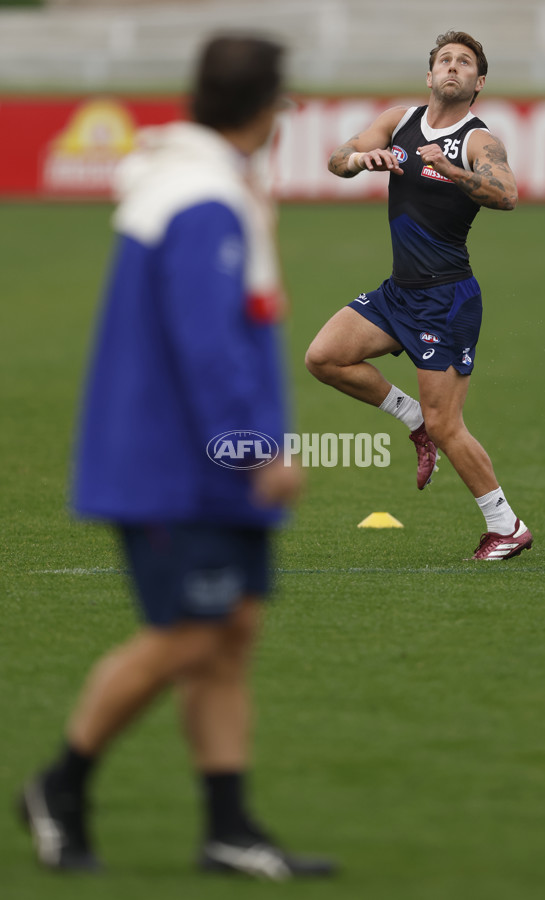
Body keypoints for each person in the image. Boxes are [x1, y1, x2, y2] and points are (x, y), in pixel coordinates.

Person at [19, 34, 335, 880]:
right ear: (269, 108)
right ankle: (61, 782)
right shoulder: (202, 198)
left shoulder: (194, 182)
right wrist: (256, 450)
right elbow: (209, 344)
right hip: (181, 463)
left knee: (230, 631)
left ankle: (228, 828)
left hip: (194, 457)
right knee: (192, 634)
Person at [305, 30, 533, 561]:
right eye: (445, 61)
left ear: (478, 83)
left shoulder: (478, 140)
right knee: (324, 357)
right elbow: (338, 157)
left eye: (465, 63)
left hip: (446, 299)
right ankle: (412, 423)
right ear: (430, 76)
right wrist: (364, 161)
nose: (453, 67)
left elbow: (507, 194)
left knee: (448, 424)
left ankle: (507, 526)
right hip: (399, 293)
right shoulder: (398, 121)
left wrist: (450, 168)